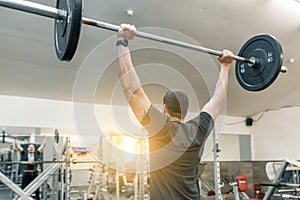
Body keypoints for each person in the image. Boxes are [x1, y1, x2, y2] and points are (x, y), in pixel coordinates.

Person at [116, 23, 234, 199]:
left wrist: (122, 41)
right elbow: (218, 99)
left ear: (164, 108)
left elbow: (129, 87)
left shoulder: (160, 127)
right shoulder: (197, 130)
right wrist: (226, 67)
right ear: (184, 112)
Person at [15, 135, 47, 200]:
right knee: (24, 188)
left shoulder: (36, 153)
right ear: (27, 149)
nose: (31, 148)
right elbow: (17, 147)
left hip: (34, 173)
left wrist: (44, 138)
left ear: (34, 149)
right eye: (30, 147)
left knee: (36, 188)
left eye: (32, 147)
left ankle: (38, 199)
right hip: (26, 173)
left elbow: (43, 146)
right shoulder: (24, 153)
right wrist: (16, 139)